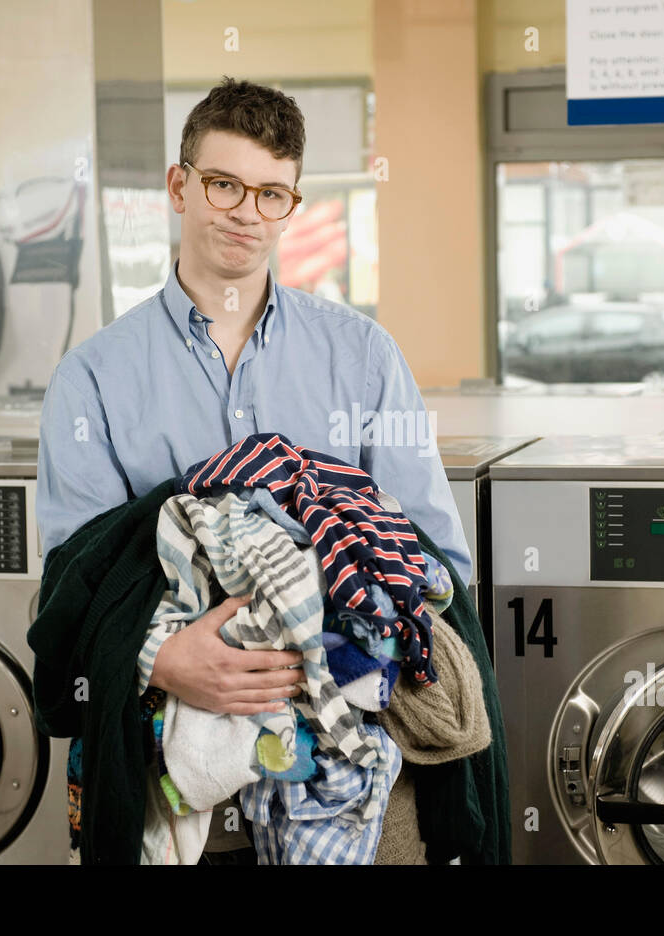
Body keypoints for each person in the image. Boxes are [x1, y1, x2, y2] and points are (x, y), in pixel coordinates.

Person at [35, 77, 472, 859]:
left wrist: (334, 642)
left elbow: (438, 561)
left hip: (346, 796)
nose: (246, 213)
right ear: (180, 186)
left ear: (293, 205)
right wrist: (162, 657)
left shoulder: (364, 359)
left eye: (273, 194)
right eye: (225, 184)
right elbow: (76, 584)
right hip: (167, 790)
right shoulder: (92, 378)